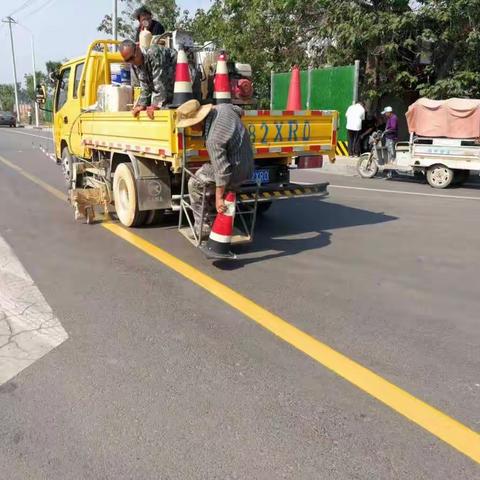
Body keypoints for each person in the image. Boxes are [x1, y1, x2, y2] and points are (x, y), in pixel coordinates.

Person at [176, 100, 254, 238]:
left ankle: (203, 226)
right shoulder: (224, 108)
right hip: (248, 163)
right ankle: (213, 216)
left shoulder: (213, 139)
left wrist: (219, 198)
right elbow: (240, 111)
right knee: (207, 172)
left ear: (199, 121)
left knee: (195, 183)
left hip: (235, 170)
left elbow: (222, 171)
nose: (190, 129)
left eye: (190, 125)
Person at [119, 39, 176, 118]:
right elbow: (145, 86)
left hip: (186, 81)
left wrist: (155, 105)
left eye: (132, 57)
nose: (132, 61)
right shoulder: (136, 64)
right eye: (127, 60)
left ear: (138, 48)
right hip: (172, 85)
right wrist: (142, 105)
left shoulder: (154, 53)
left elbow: (160, 82)